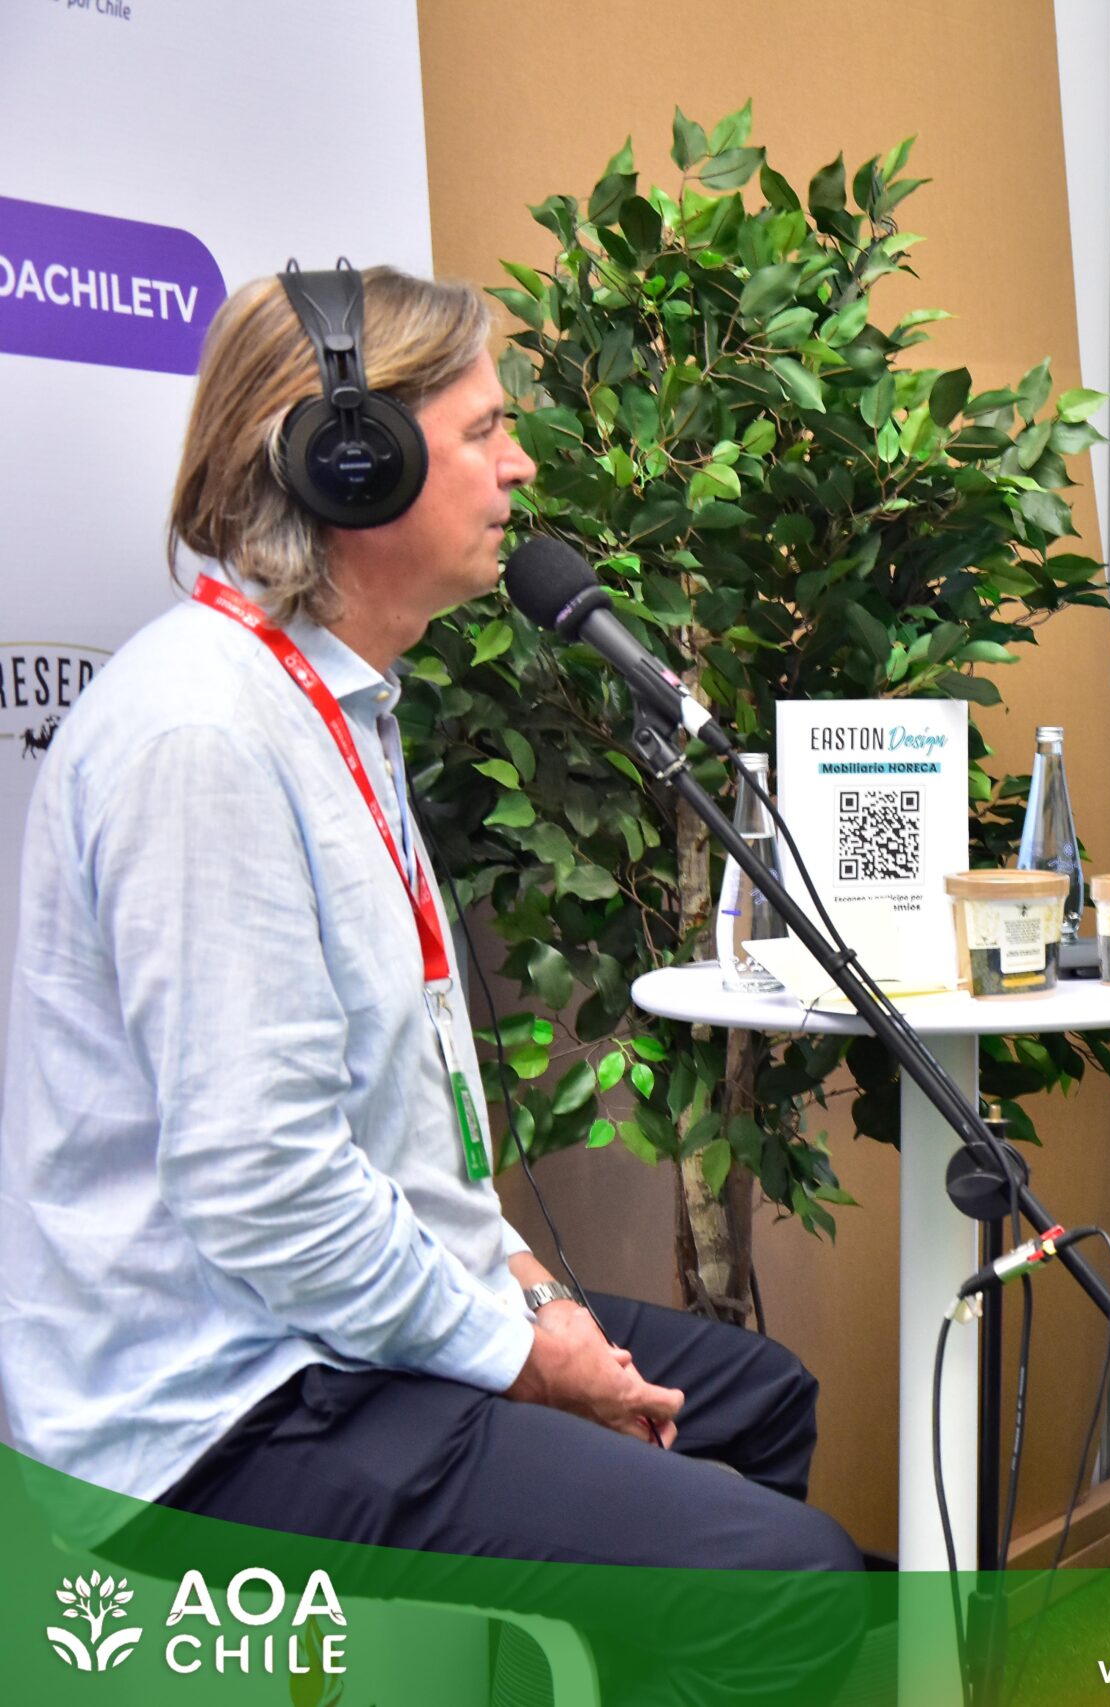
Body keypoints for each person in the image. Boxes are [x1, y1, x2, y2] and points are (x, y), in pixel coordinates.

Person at [0, 265, 861, 1702]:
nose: (520, 465)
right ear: (351, 465)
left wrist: (530, 1292)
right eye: (485, 430)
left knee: (753, 1397)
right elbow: (263, 1185)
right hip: (217, 1416)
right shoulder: (205, 734)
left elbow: (395, 1141)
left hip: (323, 1336)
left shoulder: (333, 706)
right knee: (788, 1578)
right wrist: (522, 1357)